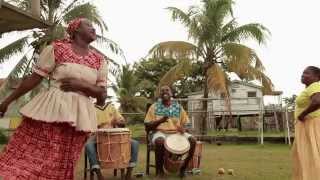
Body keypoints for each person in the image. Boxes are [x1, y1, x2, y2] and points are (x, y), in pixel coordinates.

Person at [0, 18, 108, 179]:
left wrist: (83, 86)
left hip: (79, 118)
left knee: (63, 163)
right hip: (51, 111)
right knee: (34, 159)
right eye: (89, 26)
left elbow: (102, 97)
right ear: (76, 30)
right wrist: (6, 102)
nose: (94, 29)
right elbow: (34, 79)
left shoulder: (99, 60)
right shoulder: (57, 49)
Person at [144, 85, 196, 178]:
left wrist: (184, 129)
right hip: (160, 132)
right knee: (159, 141)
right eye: (162, 90)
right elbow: (147, 125)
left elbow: (187, 123)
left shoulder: (178, 107)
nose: (165, 92)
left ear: (171, 93)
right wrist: (161, 121)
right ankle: (160, 171)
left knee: (192, 141)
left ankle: (183, 169)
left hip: (176, 133)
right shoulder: (154, 107)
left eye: (167, 90)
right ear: (160, 94)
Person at [85, 102, 139, 180]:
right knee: (88, 145)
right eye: (102, 91)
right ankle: (98, 173)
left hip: (113, 135)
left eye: (105, 92)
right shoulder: (90, 108)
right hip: (96, 135)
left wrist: (119, 122)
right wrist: (98, 126)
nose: (104, 94)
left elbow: (122, 123)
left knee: (135, 143)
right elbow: (86, 125)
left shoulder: (111, 107)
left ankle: (129, 171)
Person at [292, 66, 320, 180]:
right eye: (303, 73)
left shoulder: (314, 86)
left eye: (307, 73)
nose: (303, 75)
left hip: (311, 125)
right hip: (306, 126)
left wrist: (303, 114)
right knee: (306, 155)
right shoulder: (310, 88)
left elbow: (318, 100)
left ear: (317, 77)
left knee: (311, 155)